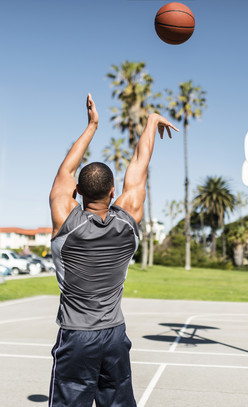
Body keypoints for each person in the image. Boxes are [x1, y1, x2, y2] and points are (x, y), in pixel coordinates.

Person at [48, 93, 178, 406]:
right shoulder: (128, 217)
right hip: (114, 336)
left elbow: (65, 173)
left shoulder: (66, 218)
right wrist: (151, 122)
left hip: (76, 337)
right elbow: (139, 166)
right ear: (112, 191)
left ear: (77, 192)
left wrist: (92, 125)